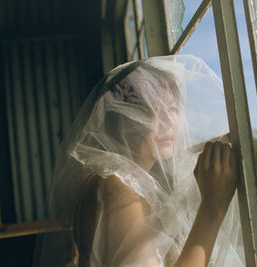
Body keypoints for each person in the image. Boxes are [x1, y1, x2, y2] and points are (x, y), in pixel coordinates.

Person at [36, 55, 244, 266]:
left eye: (172, 109)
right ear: (121, 118)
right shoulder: (121, 191)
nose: (168, 122)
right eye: (150, 111)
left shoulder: (108, 180)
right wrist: (212, 208)